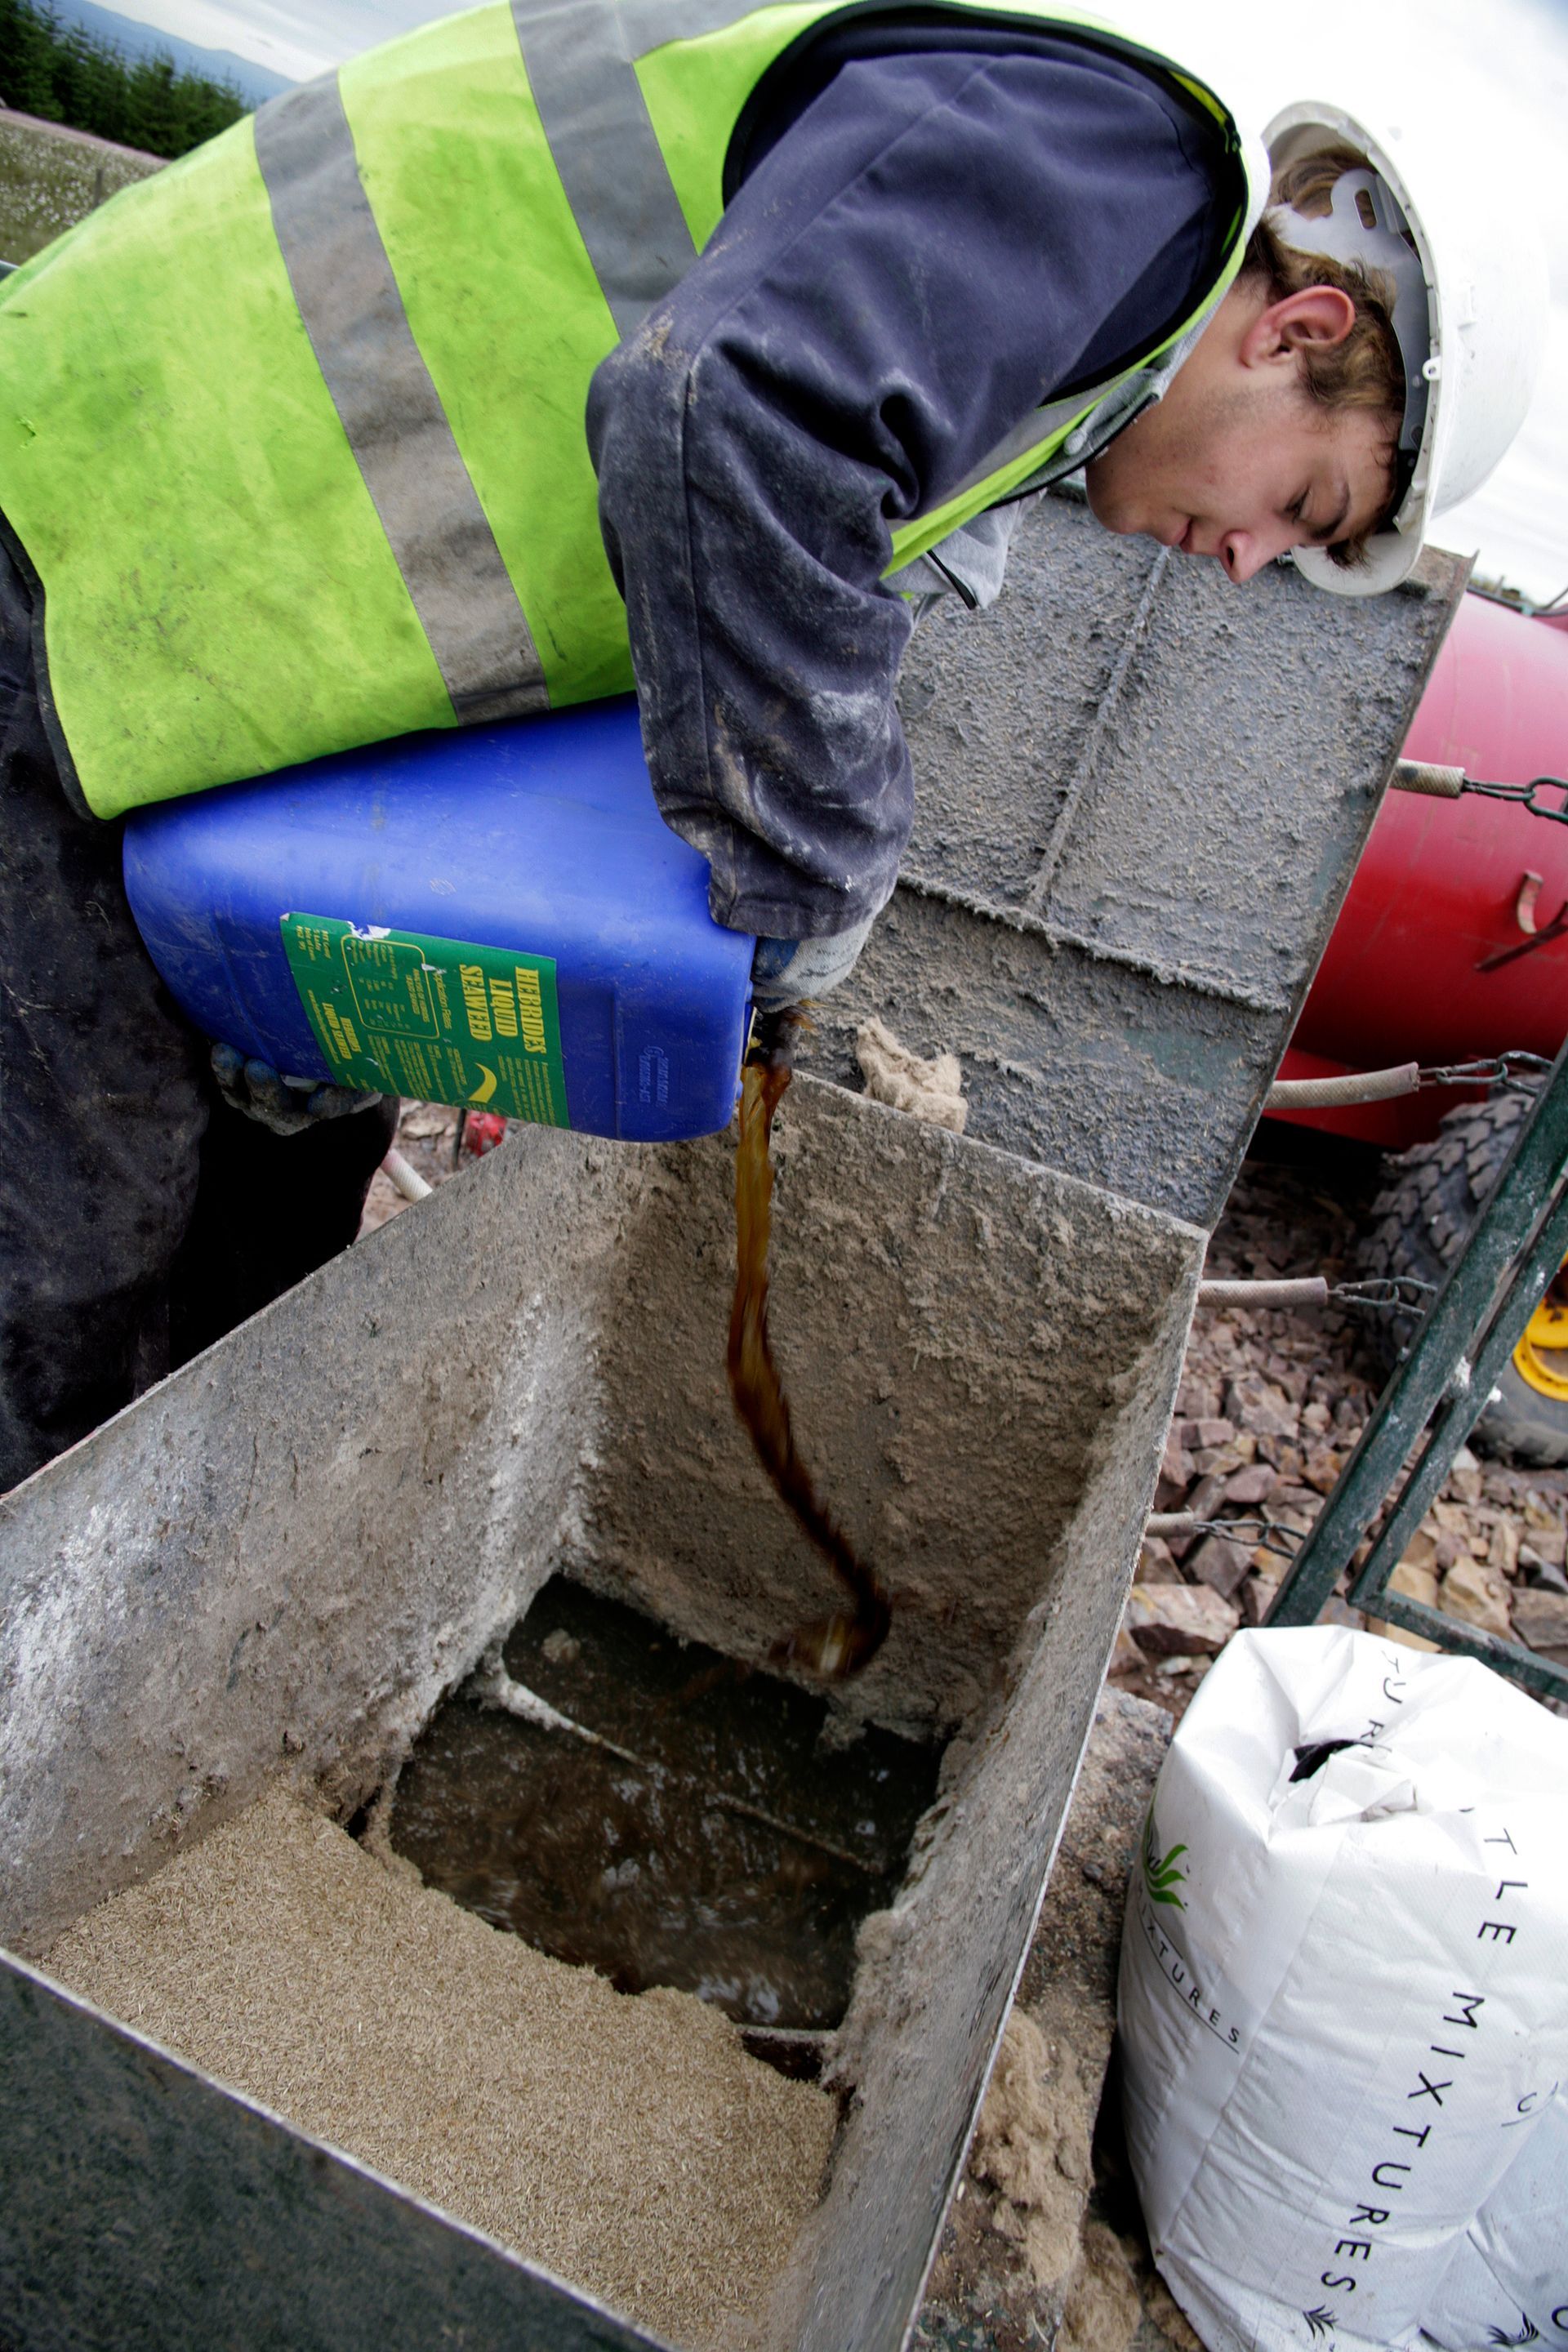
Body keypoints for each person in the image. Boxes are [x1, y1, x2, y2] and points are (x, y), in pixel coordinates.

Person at [0, 3, 1543, 1493]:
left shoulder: (1040, 362)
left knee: (259, 1239)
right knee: (69, 1269)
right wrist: (814, 854)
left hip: (252, 661)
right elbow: (729, 412)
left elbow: (696, 568)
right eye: (1310, 507)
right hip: (89, 525)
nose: (1251, 561)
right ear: (1301, 326)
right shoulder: (1120, 164)